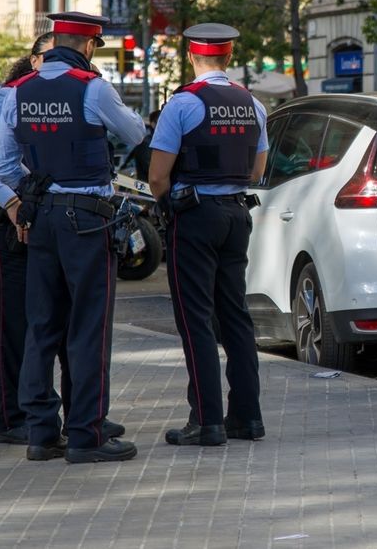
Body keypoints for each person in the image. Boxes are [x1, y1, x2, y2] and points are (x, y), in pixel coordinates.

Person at [0, 11, 146, 463]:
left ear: (55, 41)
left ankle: (42, 434)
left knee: (42, 325)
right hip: (88, 219)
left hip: (41, 218)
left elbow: (3, 166)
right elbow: (135, 133)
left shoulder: (18, 91)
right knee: (88, 328)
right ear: (89, 45)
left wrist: (36, 186)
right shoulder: (92, 87)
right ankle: (86, 434)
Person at [0, 54, 123, 447]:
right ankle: (12, 418)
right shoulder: (10, 97)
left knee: (57, 317)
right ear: (34, 61)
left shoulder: (50, 98)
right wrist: (14, 204)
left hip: (43, 218)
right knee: (18, 321)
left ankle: (74, 414)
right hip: (9, 218)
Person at [148, 23, 269, 447]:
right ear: (229, 57)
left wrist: (169, 208)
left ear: (191, 57)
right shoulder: (253, 104)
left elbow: (158, 176)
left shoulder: (182, 104)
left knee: (195, 318)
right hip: (237, 215)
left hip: (196, 217)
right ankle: (247, 418)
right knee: (235, 316)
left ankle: (207, 420)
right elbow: (256, 171)